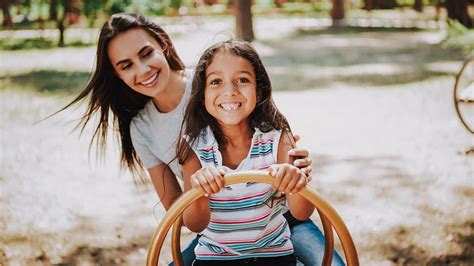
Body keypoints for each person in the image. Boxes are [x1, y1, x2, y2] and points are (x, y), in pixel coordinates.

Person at [60, 13, 343, 265]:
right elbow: (181, 213)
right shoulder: (142, 127)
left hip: (278, 216)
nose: (142, 69)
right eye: (126, 65)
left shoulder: (216, 80)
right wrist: (199, 185)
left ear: (163, 45)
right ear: (118, 75)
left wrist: (291, 161)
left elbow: (266, 123)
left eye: (146, 53)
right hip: (218, 224)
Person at [176, 39, 315, 265]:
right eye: (216, 81)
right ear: (202, 95)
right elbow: (195, 224)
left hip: (274, 256)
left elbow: (301, 212)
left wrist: (296, 181)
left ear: (258, 91)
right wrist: (200, 190)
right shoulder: (193, 146)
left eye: (242, 80)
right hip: (215, 259)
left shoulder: (279, 138)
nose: (229, 91)